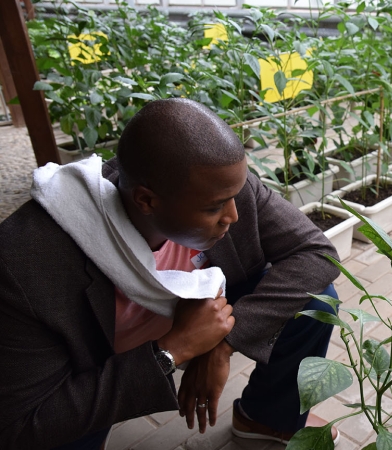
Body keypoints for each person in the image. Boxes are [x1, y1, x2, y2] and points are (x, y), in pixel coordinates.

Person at [0, 98, 341, 449]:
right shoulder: (24, 265)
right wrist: (170, 352)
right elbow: (21, 425)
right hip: (90, 362)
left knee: (317, 302)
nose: (234, 216)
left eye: (234, 196)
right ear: (146, 201)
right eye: (213, 209)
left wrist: (223, 342)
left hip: (192, 321)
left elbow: (317, 253)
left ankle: (269, 418)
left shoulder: (220, 183)